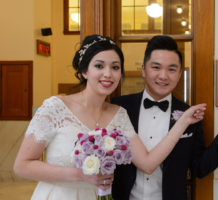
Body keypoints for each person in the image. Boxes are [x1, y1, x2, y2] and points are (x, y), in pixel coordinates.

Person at [13, 34, 206, 200]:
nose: (108, 74)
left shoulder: (119, 114)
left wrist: (183, 122)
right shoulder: (56, 107)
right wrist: (81, 175)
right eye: (99, 65)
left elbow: (147, 164)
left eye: (115, 67)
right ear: (84, 71)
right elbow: (22, 166)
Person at [111, 35, 218, 200]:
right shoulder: (118, 108)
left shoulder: (189, 115)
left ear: (180, 73)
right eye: (156, 67)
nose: (163, 76)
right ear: (143, 70)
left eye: (171, 69)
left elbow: (200, 168)